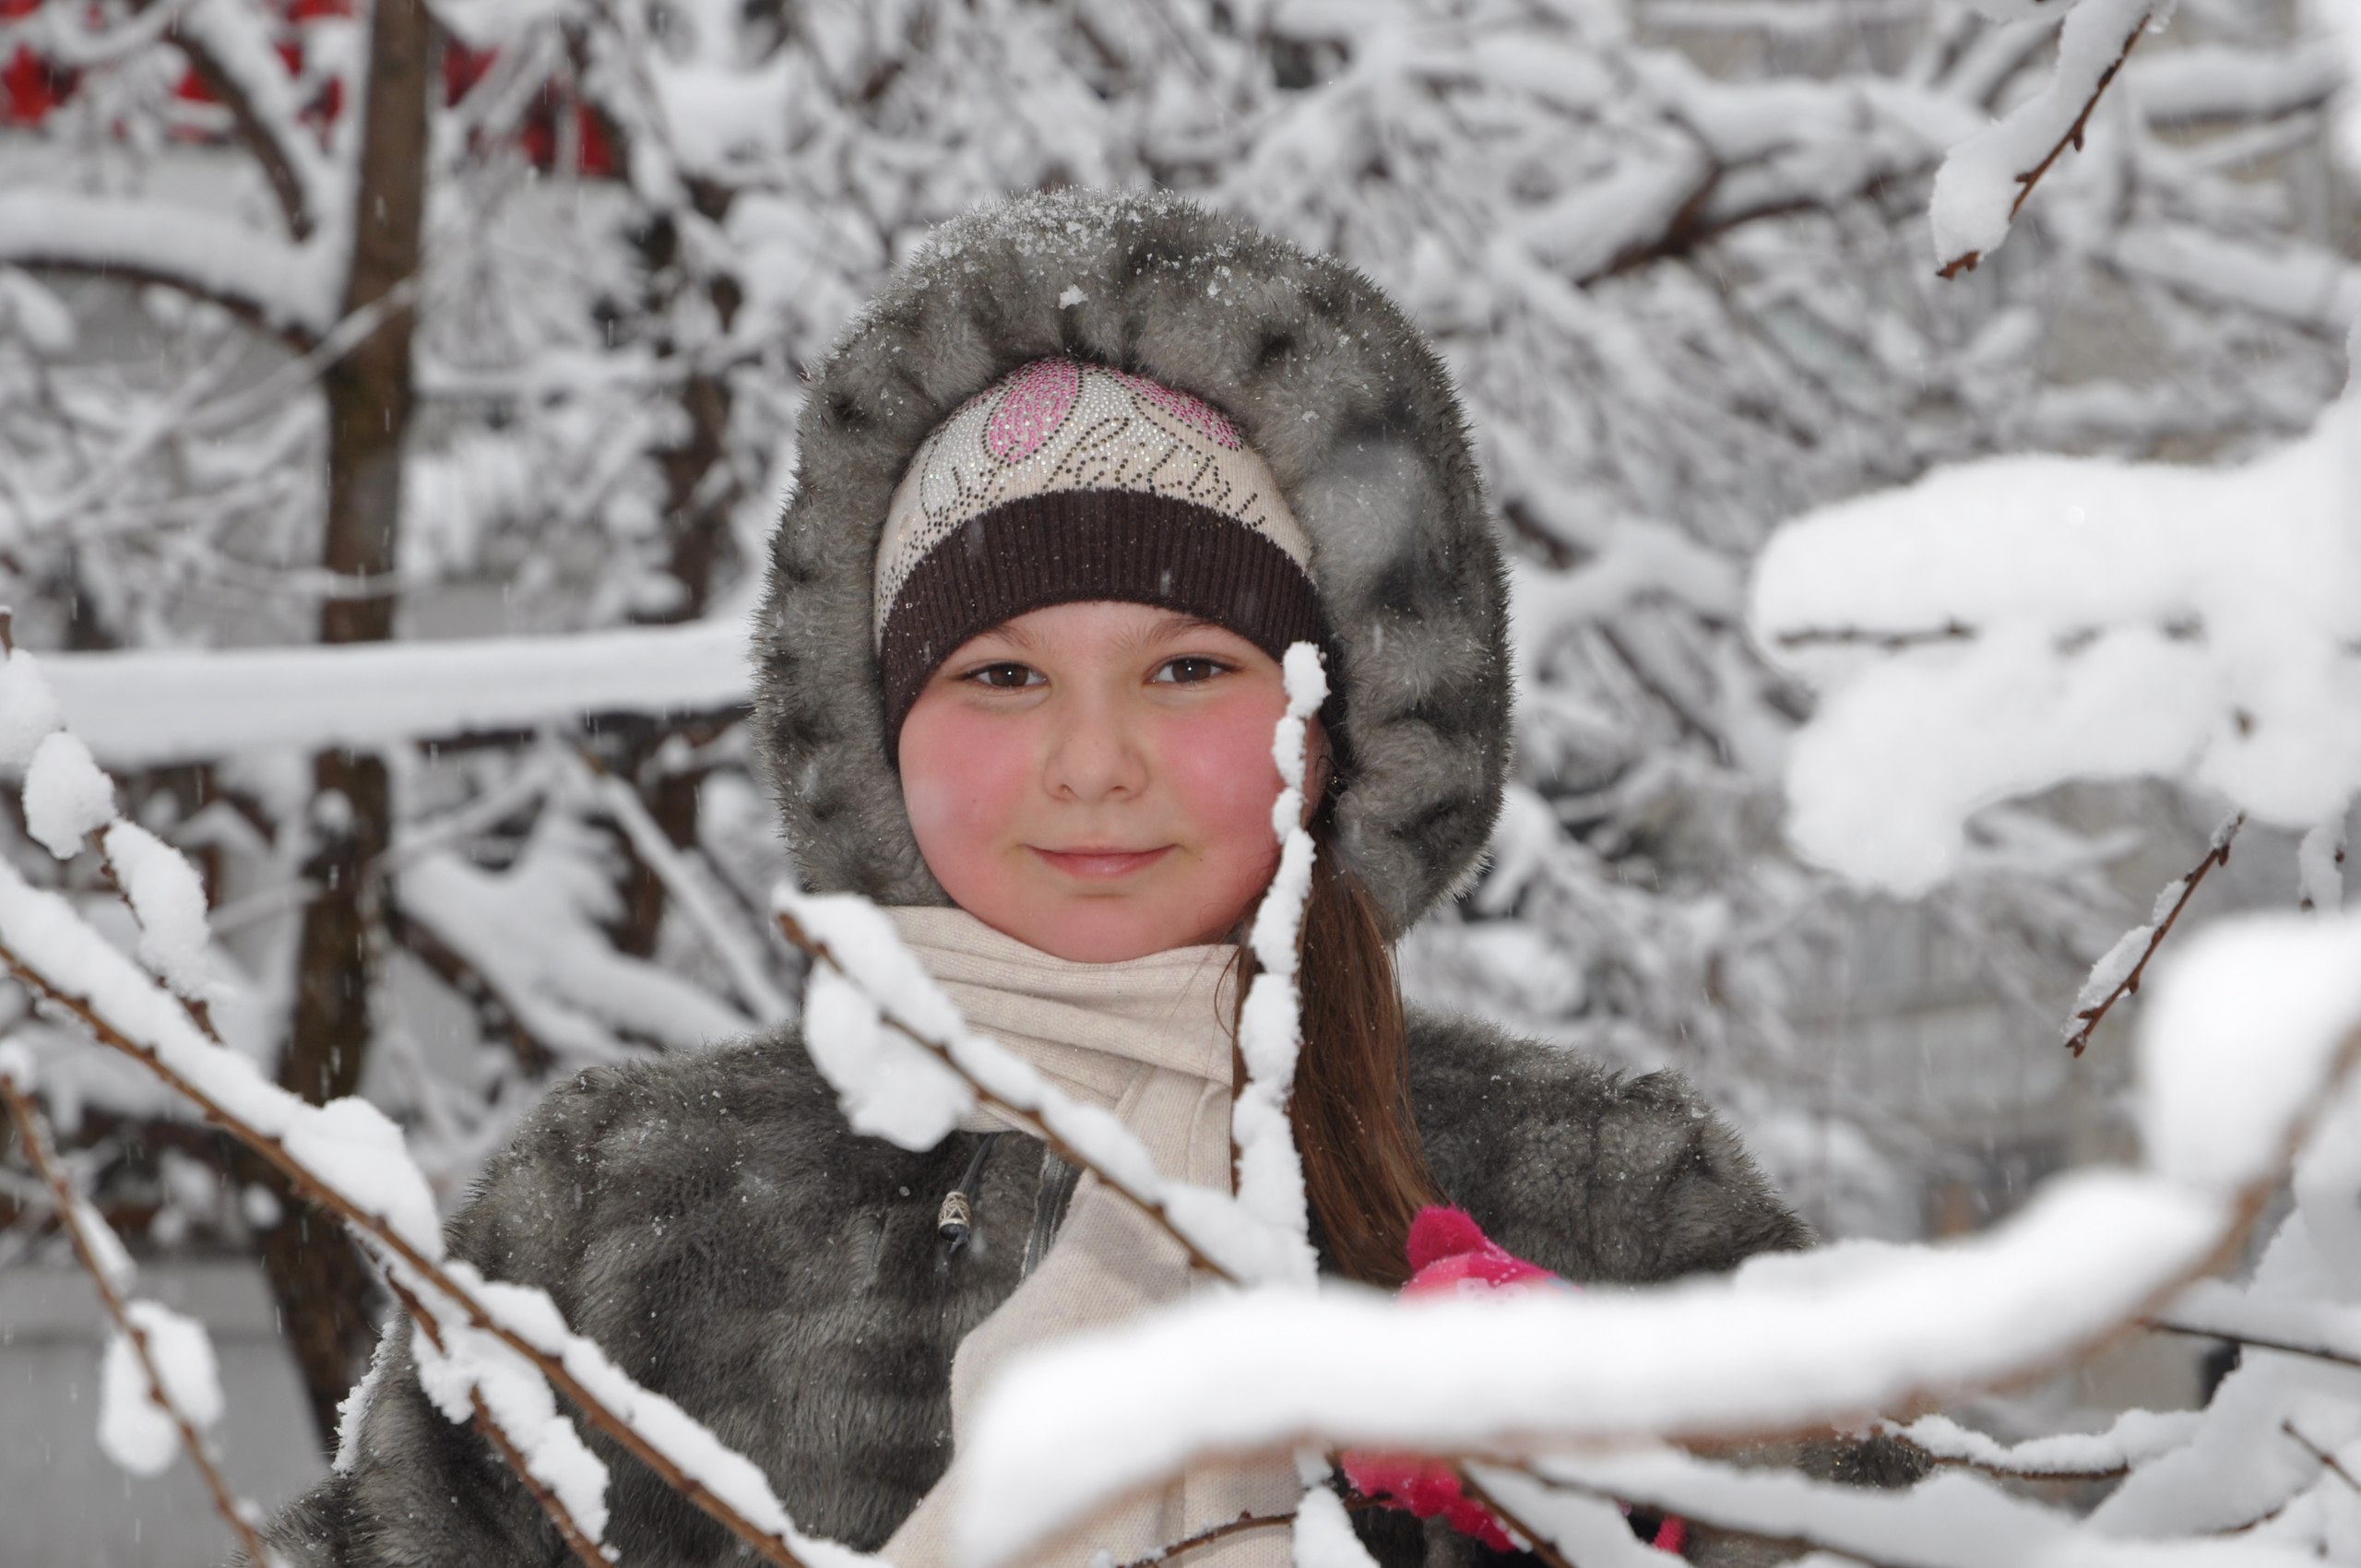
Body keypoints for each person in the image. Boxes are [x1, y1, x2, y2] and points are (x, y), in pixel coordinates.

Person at [254, 189, 1918, 1568]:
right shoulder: (621, 1233)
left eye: (1191, 669)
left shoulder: (1607, 1214)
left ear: (1340, 724)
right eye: (1001, 676)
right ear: (879, 735)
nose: (1094, 761)